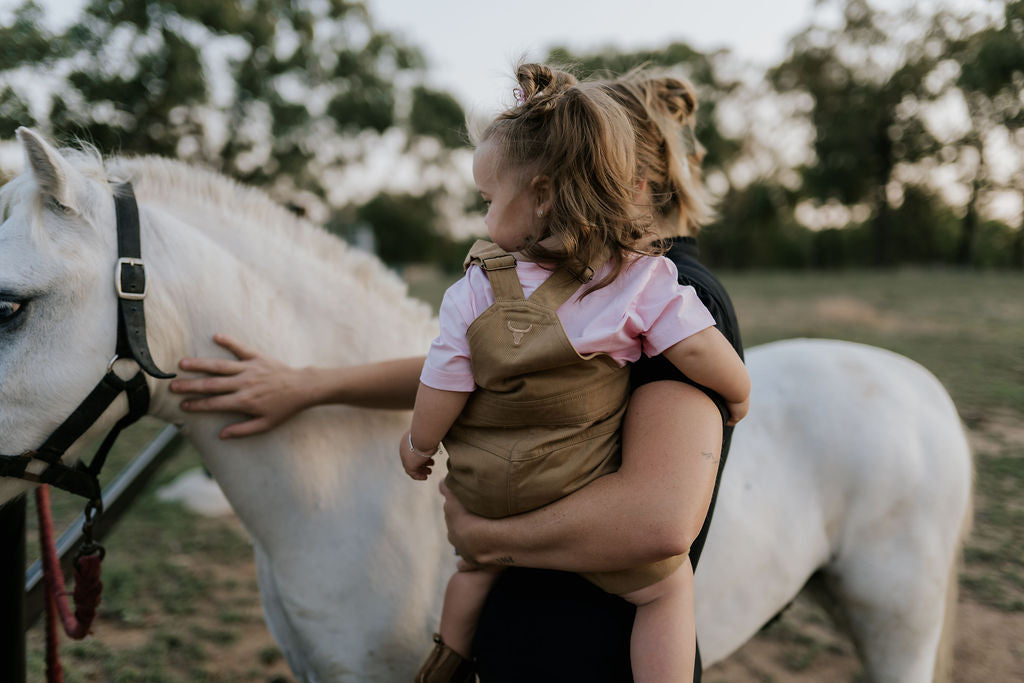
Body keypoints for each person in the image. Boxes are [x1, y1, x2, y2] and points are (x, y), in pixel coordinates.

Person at [169, 68, 743, 682]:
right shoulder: (592, 275)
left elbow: (658, 521)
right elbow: (480, 364)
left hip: (589, 657)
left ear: (628, 184)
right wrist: (310, 385)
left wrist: (485, 537)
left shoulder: (679, 292)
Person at [397, 63, 748, 683]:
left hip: (500, 519)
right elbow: (702, 354)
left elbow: (444, 375)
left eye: (487, 200)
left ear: (542, 194)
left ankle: (444, 659)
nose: (483, 217)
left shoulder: (477, 282)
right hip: (563, 532)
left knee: (468, 572)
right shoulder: (643, 281)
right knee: (668, 591)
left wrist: (422, 448)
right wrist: (738, 393)